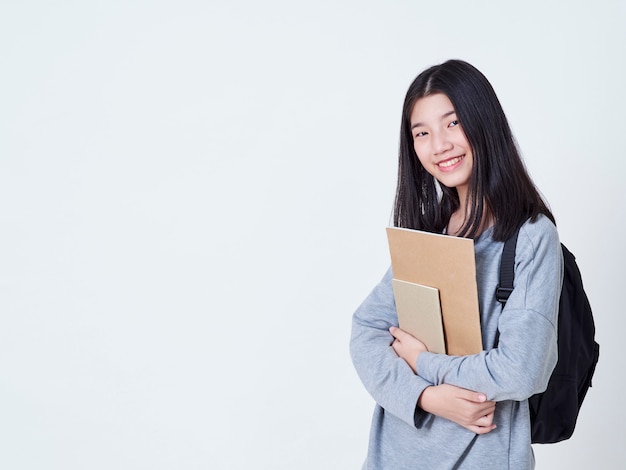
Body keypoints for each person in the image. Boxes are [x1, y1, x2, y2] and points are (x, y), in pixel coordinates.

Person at [350, 59, 564, 469]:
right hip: (392, 455)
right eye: (422, 133)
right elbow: (366, 330)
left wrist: (421, 361)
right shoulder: (430, 235)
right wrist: (428, 398)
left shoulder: (531, 236)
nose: (439, 145)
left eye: (452, 123)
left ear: (483, 122)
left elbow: (521, 371)